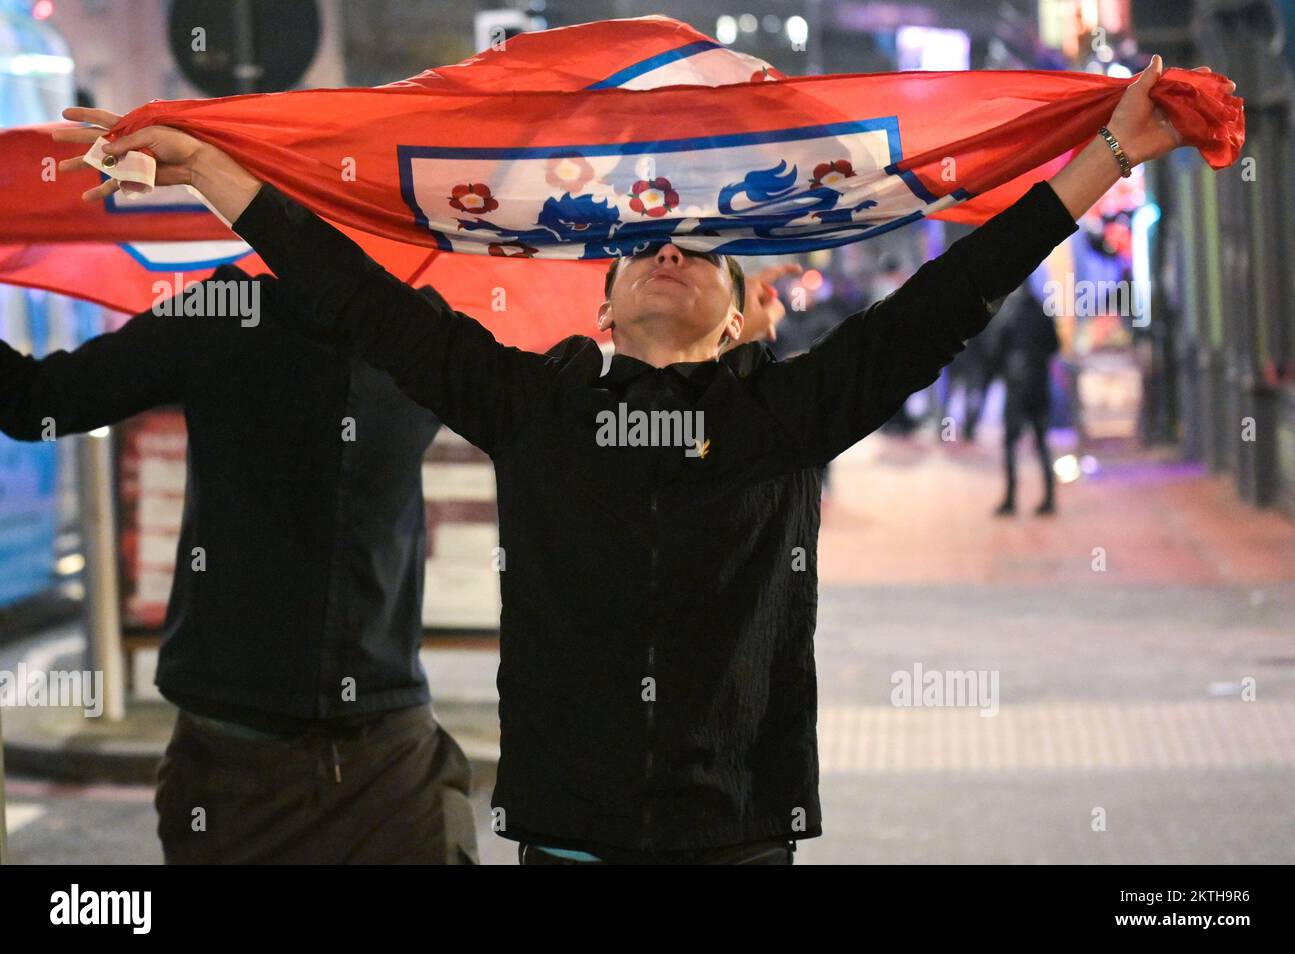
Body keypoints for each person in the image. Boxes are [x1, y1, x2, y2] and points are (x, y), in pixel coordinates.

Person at [56, 53, 1211, 864]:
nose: (671, 251)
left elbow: (951, 297)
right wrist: (218, 175)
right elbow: (358, 300)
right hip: (565, 839)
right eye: (647, 244)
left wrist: (1113, 148)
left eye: (706, 251)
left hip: (739, 838)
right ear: (600, 305)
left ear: (740, 315)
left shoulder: (788, 419)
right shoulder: (533, 405)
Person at [0, 267, 479, 865]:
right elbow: (34, 403)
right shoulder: (409, 325)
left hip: (367, 748)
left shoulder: (416, 327)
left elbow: (34, 402)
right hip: (267, 761)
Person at [990, 279, 1062, 516]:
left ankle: (1011, 499)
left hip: (1017, 387)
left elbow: (997, 351)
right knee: (1041, 443)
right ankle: (1049, 498)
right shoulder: (1042, 313)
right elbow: (1054, 345)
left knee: (1011, 443)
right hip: (1038, 386)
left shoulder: (1009, 315)